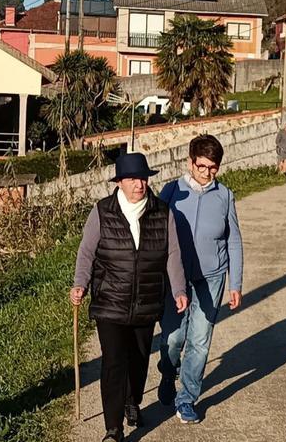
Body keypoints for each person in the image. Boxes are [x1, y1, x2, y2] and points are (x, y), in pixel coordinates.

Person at [69, 152, 189, 442]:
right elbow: (87, 251)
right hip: (110, 300)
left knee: (138, 359)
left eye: (143, 178)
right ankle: (113, 429)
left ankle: (132, 400)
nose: (140, 184)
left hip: (147, 299)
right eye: (133, 178)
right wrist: (80, 283)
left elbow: (172, 253)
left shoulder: (163, 212)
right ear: (120, 182)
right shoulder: (102, 211)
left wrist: (179, 289)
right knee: (113, 362)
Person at [157, 134, 244, 424]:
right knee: (173, 338)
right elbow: (154, 235)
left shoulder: (225, 196)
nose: (207, 173)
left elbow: (234, 241)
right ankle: (168, 375)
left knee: (199, 340)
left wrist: (235, 283)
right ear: (190, 162)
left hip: (212, 277)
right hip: (175, 278)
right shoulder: (171, 192)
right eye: (202, 166)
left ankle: (187, 398)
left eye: (213, 167)